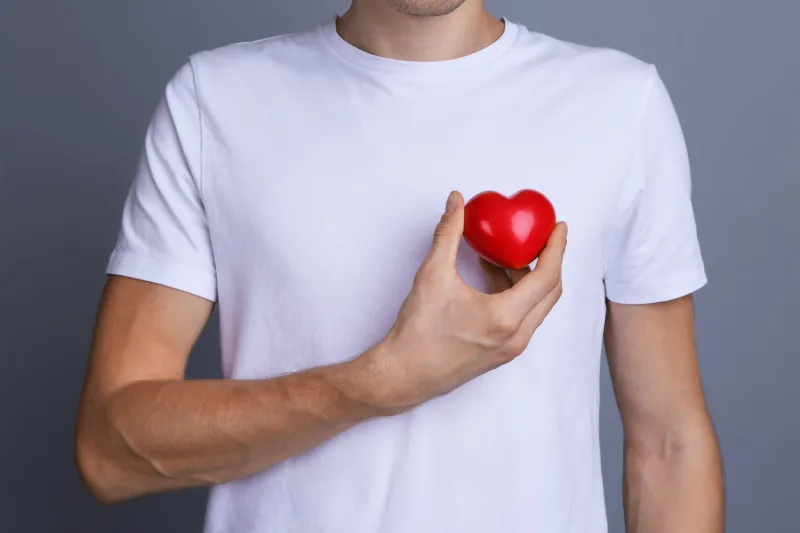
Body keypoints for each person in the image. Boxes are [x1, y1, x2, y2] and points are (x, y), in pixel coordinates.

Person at [74, 0, 724, 531]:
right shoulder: (212, 101)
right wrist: (376, 383)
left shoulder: (620, 104)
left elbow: (668, 443)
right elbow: (110, 451)